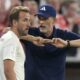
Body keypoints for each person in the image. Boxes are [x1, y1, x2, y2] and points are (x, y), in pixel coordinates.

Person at [20, 4, 80, 80]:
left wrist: (67, 43)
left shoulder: (63, 35)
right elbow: (8, 32)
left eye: (45, 18)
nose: (41, 22)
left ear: (54, 20)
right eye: (39, 18)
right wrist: (30, 38)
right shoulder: (31, 32)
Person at [0, 6, 31, 80]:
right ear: (14, 22)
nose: (29, 24)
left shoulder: (8, 38)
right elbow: (8, 70)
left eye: (29, 21)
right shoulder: (11, 40)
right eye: (25, 20)